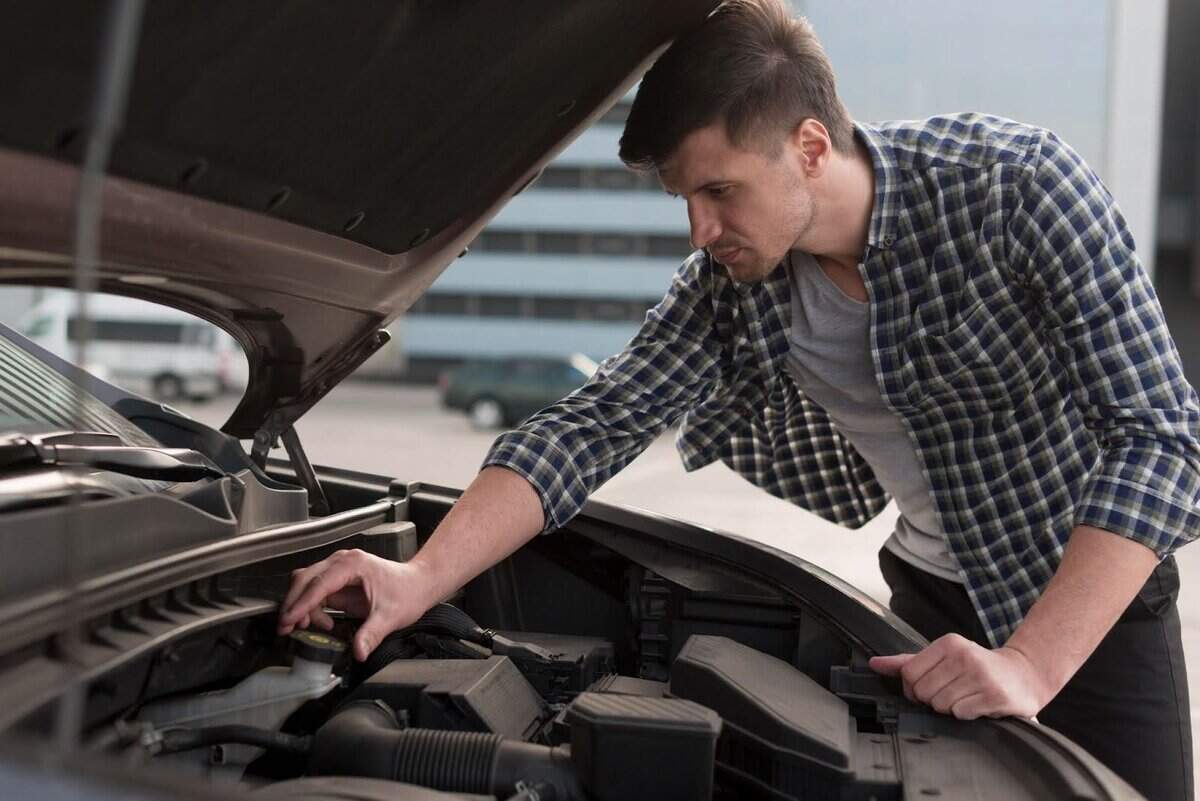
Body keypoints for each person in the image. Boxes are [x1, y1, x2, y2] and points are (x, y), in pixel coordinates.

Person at [278, 1, 1198, 797]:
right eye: (686, 198)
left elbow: (1160, 436)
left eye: (720, 190)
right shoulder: (736, 283)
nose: (701, 229)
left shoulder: (1018, 186)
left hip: (1092, 602)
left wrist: (1033, 663)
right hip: (926, 606)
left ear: (808, 148)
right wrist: (418, 576)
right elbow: (592, 424)